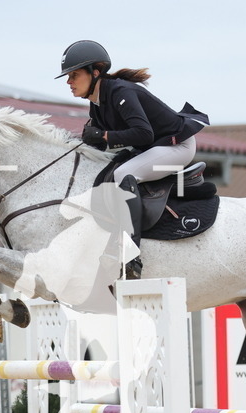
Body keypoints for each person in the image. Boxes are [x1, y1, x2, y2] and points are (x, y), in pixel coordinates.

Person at [58, 39, 209, 280]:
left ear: (95, 72)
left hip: (177, 145)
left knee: (122, 174)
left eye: (74, 75)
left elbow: (143, 133)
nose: (69, 81)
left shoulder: (120, 92)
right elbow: (103, 140)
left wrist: (105, 136)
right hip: (152, 147)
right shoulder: (97, 102)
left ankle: (130, 254)